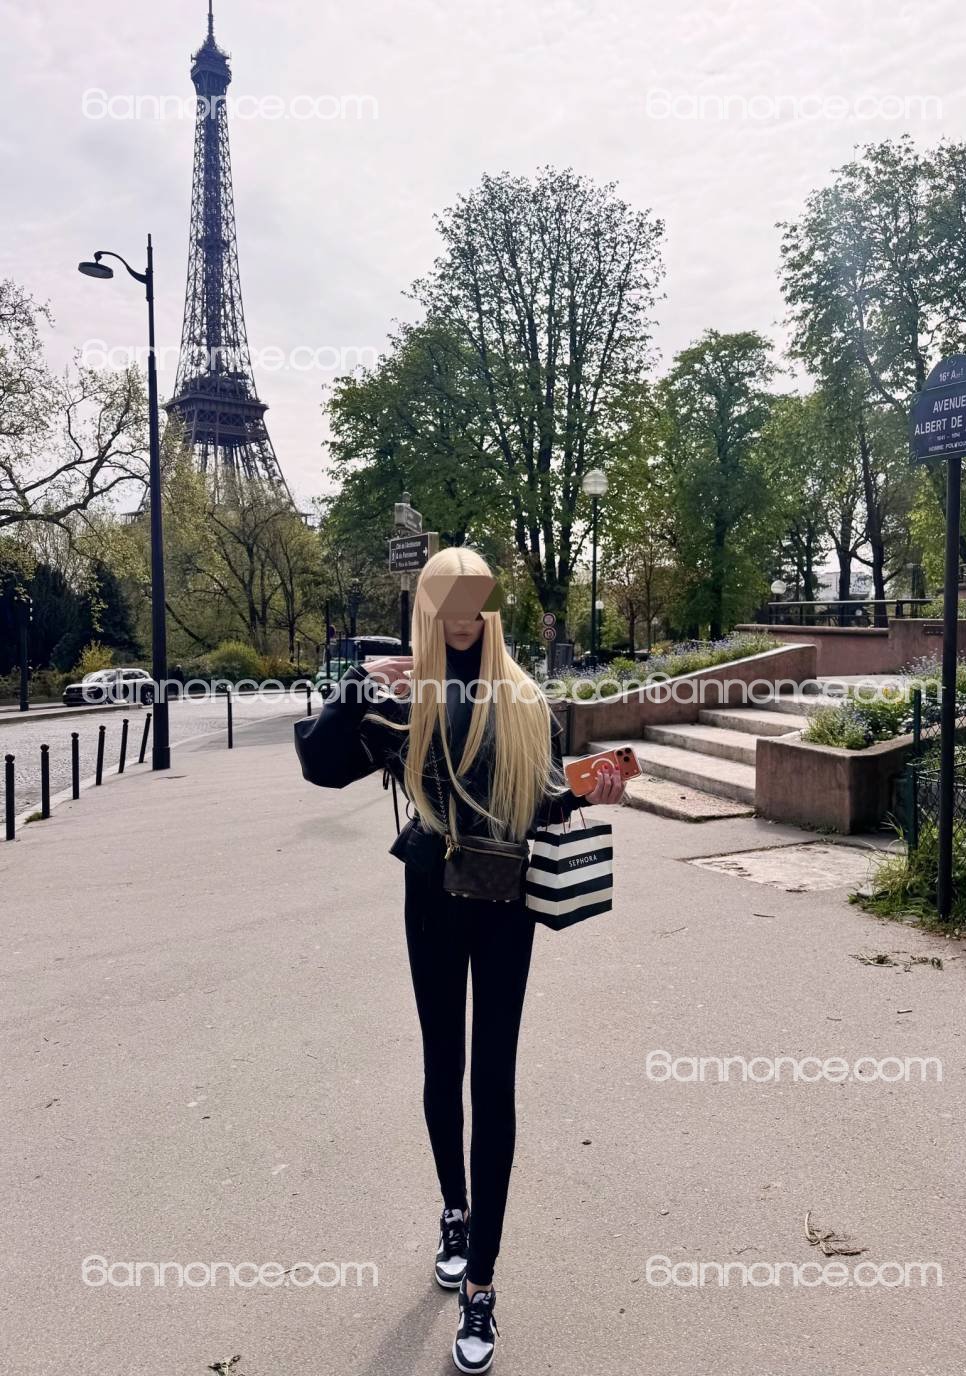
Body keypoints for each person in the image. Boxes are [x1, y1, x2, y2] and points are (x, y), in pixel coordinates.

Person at [293, 546, 626, 1373]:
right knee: (443, 1067)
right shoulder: (403, 697)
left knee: (494, 1081)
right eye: (450, 601)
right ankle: (454, 1209)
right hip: (432, 892)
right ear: (430, 608)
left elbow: (541, 802)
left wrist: (589, 790)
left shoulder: (524, 698)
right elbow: (320, 766)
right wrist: (358, 686)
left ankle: (482, 1281)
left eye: (475, 600)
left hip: (507, 898)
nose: (465, 615)